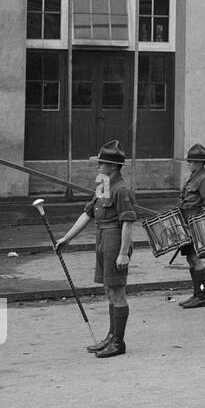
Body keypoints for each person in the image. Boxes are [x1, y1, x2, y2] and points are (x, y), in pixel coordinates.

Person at [54, 139, 136, 359]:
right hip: (101, 239)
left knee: (117, 292)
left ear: (113, 166)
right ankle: (111, 336)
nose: (98, 166)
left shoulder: (122, 190)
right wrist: (67, 238)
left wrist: (122, 253)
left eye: (102, 163)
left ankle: (118, 342)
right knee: (109, 290)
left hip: (114, 242)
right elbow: (88, 214)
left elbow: (127, 223)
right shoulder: (103, 186)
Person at [175, 143, 205, 309]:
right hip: (187, 224)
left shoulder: (203, 179)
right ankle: (196, 293)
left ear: (199, 163)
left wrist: (202, 228)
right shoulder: (193, 177)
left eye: (191, 161)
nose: (188, 163)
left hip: (195, 225)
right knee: (190, 259)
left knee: (196, 259)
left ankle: (201, 295)